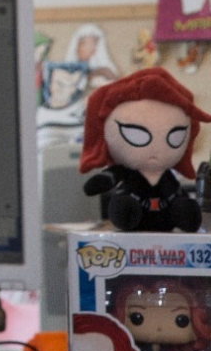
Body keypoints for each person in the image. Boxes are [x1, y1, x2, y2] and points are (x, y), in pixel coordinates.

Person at [79, 67, 211, 232]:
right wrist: (102, 181)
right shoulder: (128, 171)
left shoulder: (167, 176)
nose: (155, 149)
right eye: (136, 135)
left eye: (174, 137)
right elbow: (107, 179)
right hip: (134, 220)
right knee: (123, 206)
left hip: (166, 225)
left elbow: (176, 193)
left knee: (184, 206)